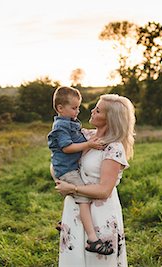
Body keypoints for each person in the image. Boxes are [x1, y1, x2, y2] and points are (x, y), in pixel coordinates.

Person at [54, 94, 135, 267]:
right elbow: (59, 154)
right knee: (73, 260)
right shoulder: (84, 136)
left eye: (97, 110)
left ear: (110, 119)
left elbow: (104, 190)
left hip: (100, 213)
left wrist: (73, 188)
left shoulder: (113, 148)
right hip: (75, 209)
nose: (91, 111)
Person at [47, 86, 114, 256]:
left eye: (78, 107)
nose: (78, 111)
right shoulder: (61, 126)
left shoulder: (70, 123)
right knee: (83, 198)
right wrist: (89, 144)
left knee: (79, 193)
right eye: (74, 108)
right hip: (67, 169)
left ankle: (67, 221)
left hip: (67, 168)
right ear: (60, 108)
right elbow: (67, 147)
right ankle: (93, 240)